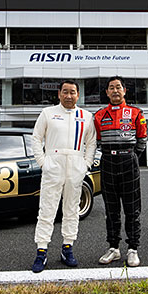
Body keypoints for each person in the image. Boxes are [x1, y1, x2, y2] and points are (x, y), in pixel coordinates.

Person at [30, 80, 97, 273]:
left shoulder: (86, 116)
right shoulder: (48, 113)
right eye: (65, 92)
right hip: (53, 164)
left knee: (72, 209)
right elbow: (36, 138)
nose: (69, 96)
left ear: (78, 95)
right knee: (47, 209)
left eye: (73, 92)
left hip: (76, 165)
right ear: (59, 93)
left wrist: (85, 164)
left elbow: (91, 143)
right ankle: (41, 251)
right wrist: (43, 162)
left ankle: (67, 247)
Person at [93, 76, 147, 267]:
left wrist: (129, 156)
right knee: (111, 210)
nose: (115, 91)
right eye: (111, 88)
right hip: (107, 162)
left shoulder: (136, 113)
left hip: (128, 162)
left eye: (118, 87)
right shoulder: (98, 115)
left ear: (125, 90)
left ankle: (133, 248)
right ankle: (113, 248)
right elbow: (96, 142)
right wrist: (110, 155)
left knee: (132, 210)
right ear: (106, 92)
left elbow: (142, 140)